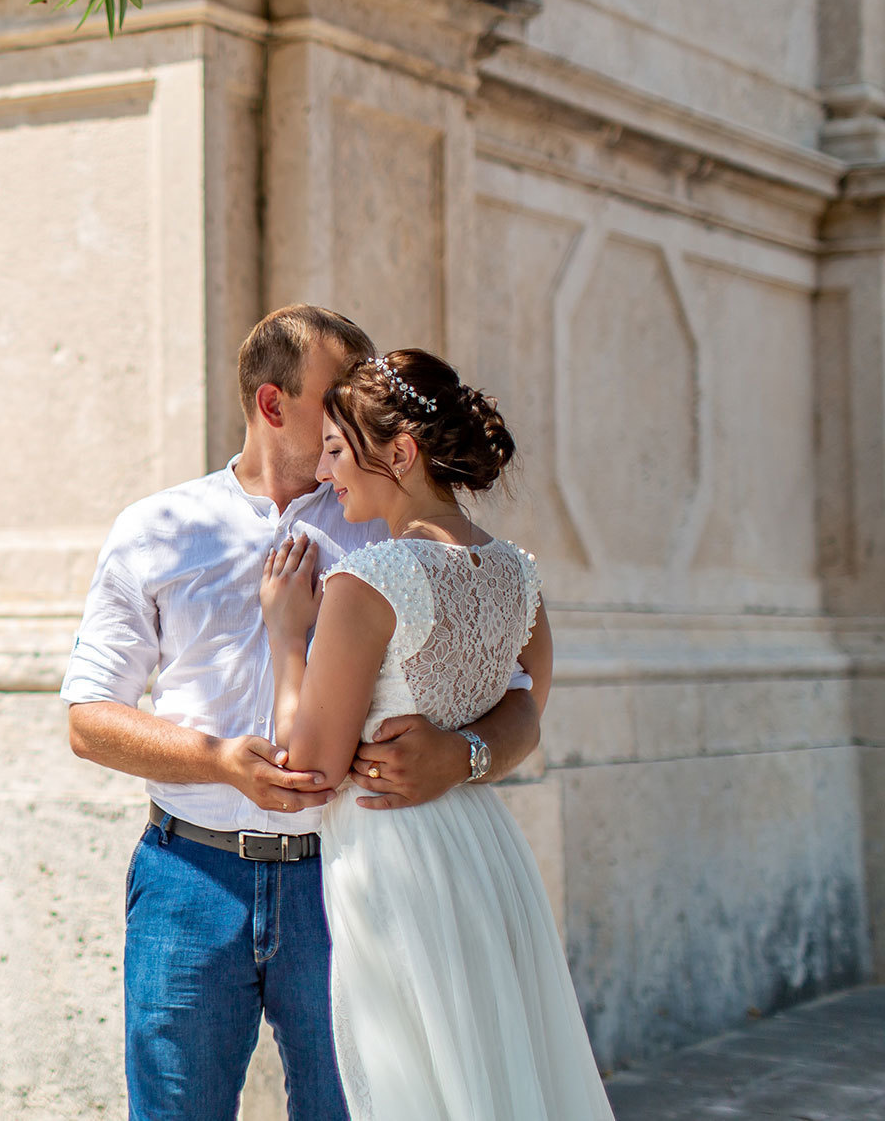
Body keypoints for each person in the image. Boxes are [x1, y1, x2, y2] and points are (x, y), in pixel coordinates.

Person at [62, 306, 545, 1121]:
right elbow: (88, 717)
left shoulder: (383, 522)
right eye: (336, 397)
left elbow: (522, 698)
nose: (351, 416)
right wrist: (216, 760)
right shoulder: (155, 530)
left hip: (346, 879)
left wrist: (460, 752)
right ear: (273, 404)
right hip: (190, 879)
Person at [258, 348, 613, 1121]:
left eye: (336, 449)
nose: (324, 473)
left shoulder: (369, 580)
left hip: (396, 865)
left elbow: (307, 770)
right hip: (486, 857)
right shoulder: (516, 572)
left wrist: (288, 637)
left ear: (400, 451)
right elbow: (526, 709)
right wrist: (467, 755)